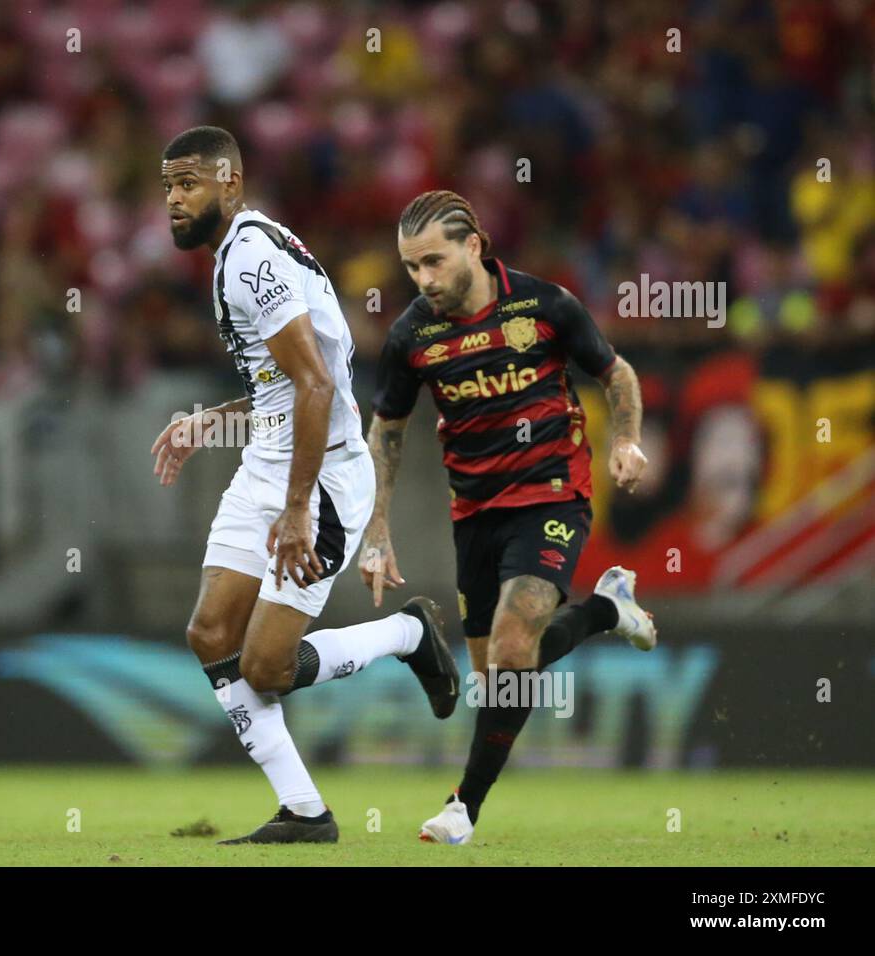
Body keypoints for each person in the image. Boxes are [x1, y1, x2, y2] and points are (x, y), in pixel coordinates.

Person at [150, 127, 461, 845]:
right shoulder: (246, 249)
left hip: (316, 482)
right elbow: (282, 385)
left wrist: (295, 510)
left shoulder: (250, 258)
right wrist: (212, 421)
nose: (174, 199)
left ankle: (408, 634)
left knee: (266, 667)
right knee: (208, 633)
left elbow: (319, 381)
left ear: (230, 183)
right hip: (267, 460)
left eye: (189, 183)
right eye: (168, 186)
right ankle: (305, 812)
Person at [361, 190, 657, 845]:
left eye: (434, 262)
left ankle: (462, 807)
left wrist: (626, 439)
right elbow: (387, 430)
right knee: (497, 676)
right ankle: (606, 610)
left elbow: (617, 374)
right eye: (412, 268)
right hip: (473, 510)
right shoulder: (412, 334)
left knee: (514, 642)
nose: (424, 280)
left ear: (476, 246)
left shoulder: (544, 306)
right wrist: (376, 525)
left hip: (552, 493)